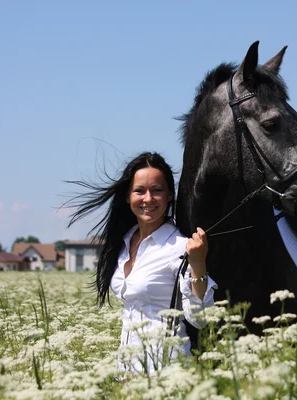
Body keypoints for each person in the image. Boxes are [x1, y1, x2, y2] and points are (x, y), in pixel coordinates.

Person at [67, 152, 217, 373]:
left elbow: (201, 319)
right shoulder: (122, 242)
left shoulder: (180, 247)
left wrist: (198, 264)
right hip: (127, 372)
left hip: (166, 373)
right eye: (139, 191)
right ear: (128, 196)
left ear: (170, 196)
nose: (148, 199)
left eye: (157, 191)